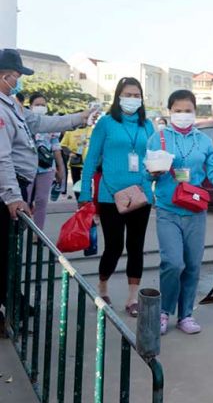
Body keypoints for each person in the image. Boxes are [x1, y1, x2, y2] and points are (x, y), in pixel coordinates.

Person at [0, 49, 91, 327]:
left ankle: (12, 302)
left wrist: (77, 118)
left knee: (9, 253)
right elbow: (1, 157)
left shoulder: (11, 104)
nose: (19, 81)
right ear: (4, 76)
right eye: (16, 76)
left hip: (17, 185)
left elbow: (39, 122)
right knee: (4, 253)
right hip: (7, 190)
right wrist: (13, 196)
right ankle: (10, 307)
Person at [146, 90, 213, 335]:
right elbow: (145, 173)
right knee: (173, 263)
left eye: (188, 111)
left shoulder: (203, 141)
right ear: (170, 111)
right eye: (178, 111)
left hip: (195, 210)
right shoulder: (158, 138)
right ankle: (164, 311)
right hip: (168, 210)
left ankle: (185, 315)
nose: (183, 115)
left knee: (193, 265)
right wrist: (151, 174)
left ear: (195, 112)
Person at [78, 77, 155, 317]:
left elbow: (153, 158)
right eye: (128, 95)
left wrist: (150, 181)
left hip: (140, 195)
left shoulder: (147, 125)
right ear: (118, 97)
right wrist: (85, 192)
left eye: (136, 95)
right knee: (114, 246)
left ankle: (133, 298)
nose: (132, 99)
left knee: (136, 246)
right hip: (110, 195)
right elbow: (91, 159)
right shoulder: (106, 123)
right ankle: (102, 288)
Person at [28, 93, 66, 229]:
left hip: (46, 168)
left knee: (42, 200)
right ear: (30, 106)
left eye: (43, 105)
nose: (40, 107)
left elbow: (56, 149)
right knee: (25, 200)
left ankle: (38, 233)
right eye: (37, 105)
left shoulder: (51, 124)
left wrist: (61, 169)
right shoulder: (24, 122)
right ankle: (19, 231)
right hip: (26, 167)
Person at [60, 124, 94, 199]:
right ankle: (79, 201)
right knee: (76, 183)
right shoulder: (70, 131)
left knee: (87, 182)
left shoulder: (91, 130)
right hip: (75, 162)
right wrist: (70, 153)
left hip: (88, 162)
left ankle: (87, 200)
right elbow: (63, 145)